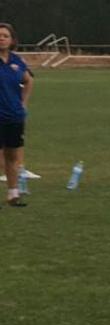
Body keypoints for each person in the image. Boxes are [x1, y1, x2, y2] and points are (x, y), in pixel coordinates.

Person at [0, 22, 34, 207]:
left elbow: (28, 81)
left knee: (12, 156)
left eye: (5, 35)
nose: (1, 38)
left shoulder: (17, 61)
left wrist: (23, 103)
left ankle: (13, 194)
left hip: (14, 116)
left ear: (12, 40)